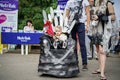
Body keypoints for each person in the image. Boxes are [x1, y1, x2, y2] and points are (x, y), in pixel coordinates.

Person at [91, 0, 115, 80]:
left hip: (104, 31)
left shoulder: (109, 3)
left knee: (102, 51)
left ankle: (102, 73)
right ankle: (99, 68)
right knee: (98, 50)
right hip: (96, 30)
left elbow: (113, 17)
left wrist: (100, 17)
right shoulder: (97, 3)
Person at [65, 0, 90, 70]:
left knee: (82, 43)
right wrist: (66, 25)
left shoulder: (85, 1)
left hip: (81, 24)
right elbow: (66, 14)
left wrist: (88, 25)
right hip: (71, 24)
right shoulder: (69, 2)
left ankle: (84, 63)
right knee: (73, 43)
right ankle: (75, 61)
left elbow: (88, 13)